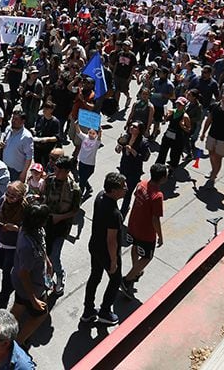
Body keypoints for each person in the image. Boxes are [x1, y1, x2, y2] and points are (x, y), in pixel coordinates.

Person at [81, 172, 127, 325]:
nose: (126, 188)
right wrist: (113, 261)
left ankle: (88, 311)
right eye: (122, 187)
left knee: (95, 276)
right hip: (106, 252)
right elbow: (111, 240)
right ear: (113, 191)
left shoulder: (100, 196)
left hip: (94, 246)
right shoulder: (114, 214)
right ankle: (105, 311)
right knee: (115, 280)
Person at [120, 164, 167, 298]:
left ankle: (136, 270)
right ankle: (127, 280)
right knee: (147, 257)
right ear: (163, 178)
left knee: (135, 247)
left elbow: (136, 196)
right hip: (146, 232)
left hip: (133, 225)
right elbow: (155, 219)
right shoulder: (157, 196)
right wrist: (160, 236)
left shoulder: (141, 184)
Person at [10, 203, 52, 345]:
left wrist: (47, 261)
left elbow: (42, 245)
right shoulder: (27, 245)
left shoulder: (34, 230)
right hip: (31, 286)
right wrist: (33, 299)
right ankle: (18, 342)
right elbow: (24, 274)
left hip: (30, 284)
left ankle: (4, 332)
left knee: (19, 306)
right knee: (41, 314)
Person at [41, 156, 80, 296]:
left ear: (66, 171)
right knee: (45, 252)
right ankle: (47, 274)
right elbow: (43, 197)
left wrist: (60, 217)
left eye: (58, 171)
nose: (55, 173)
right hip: (47, 222)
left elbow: (75, 210)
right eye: (55, 170)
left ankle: (59, 275)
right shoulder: (49, 180)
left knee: (54, 255)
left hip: (61, 226)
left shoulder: (74, 188)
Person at [155, 97, 192, 171]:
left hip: (178, 137)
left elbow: (189, 130)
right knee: (162, 151)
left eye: (180, 104)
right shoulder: (172, 111)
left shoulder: (185, 117)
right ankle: (158, 167)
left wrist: (183, 126)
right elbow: (164, 120)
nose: (178, 105)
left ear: (184, 106)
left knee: (175, 154)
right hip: (168, 134)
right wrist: (165, 118)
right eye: (177, 103)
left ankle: (172, 169)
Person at [2, 108, 34, 183]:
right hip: (4, 167)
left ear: (23, 121)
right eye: (13, 118)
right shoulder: (8, 129)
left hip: (16, 172)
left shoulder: (26, 137)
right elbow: (3, 135)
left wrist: (24, 173)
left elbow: (29, 157)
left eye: (16, 119)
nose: (13, 121)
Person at [75, 124, 103, 199]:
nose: (91, 135)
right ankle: (89, 188)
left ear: (96, 135)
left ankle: (79, 196)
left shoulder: (96, 142)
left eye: (93, 133)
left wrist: (100, 131)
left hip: (89, 166)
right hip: (81, 162)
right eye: (90, 133)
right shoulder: (85, 138)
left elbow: (99, 137)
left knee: (82, 182)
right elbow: (78, 132)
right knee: (82, 178)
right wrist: (76, 125)